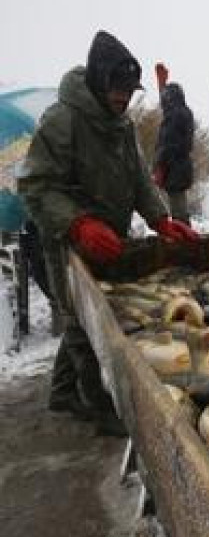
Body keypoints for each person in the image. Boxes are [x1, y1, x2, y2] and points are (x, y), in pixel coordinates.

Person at [18, 30, 199, 436]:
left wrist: (160, 218)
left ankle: (62, 391)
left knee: (84, 313)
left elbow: (138, 177)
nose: (124, 97)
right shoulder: (62, 120)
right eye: (117, 89)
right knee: (81, 316)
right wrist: (78, 223)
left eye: (129, 90)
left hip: (107, 235)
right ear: (99, 81)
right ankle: (99, 406)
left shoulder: (122, 124)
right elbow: (33, 186)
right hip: (65, 235)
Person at [152, 62, 195, 223]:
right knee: (178, 204)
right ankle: (184, 235)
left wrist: (160, 166)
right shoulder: (182, 111)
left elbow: (168, 144)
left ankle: (184, 240)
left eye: (166, 96)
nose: (163, 99)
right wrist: (161, 83)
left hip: (174, 168)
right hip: (181, 167)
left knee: (178, 209)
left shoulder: (175, 115)